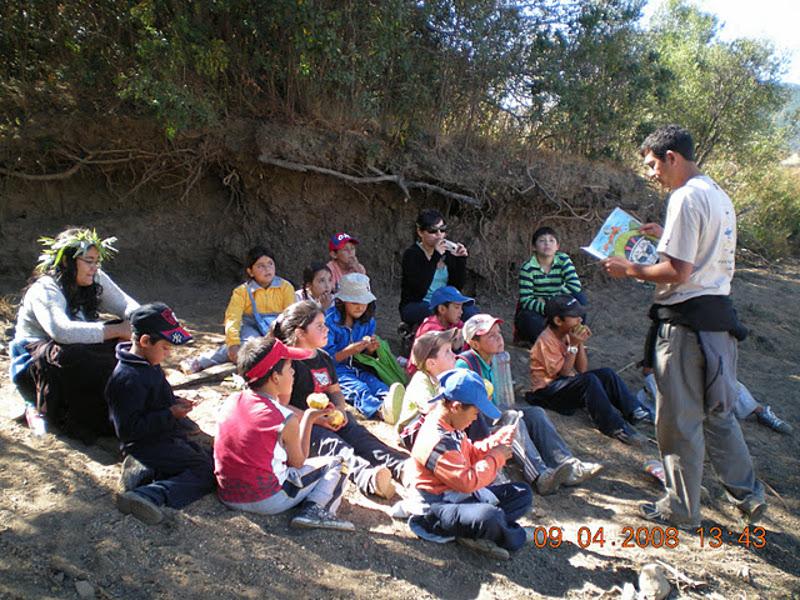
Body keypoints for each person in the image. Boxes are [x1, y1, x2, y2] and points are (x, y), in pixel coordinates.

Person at [603, 124, 766, 528]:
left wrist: (630, 269)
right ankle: (750, 495)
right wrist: (664, 236)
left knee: (678, 420)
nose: (651, 173)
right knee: (719, 413)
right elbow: (702, 254)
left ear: (671, 157)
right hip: (719, 326)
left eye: (653, 164)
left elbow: (678, 270)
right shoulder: (717, 195)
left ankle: (681, 508)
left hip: (685, 328)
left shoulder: (683, 197)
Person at [9, 227, 139, 443]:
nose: (94, 267)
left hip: (74, 346)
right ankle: (85, 418)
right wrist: (116, 330)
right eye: (88, 261)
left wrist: (144, 320)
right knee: (74, 355)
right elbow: (61, 332)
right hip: (37, 359)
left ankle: (136, 405)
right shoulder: (45, 289)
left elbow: (125, 304)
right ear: (68, 261)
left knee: (125, 345)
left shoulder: (94, 277)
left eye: (97, 261)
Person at [272, 300, 410, 499]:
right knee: (335, 446)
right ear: (300, 333)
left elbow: (335, 390)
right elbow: (279, 406)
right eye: (319, 326)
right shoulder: (287, 363)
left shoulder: (323, 357)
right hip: (304, 426)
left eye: (325, 324)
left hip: (330, 416)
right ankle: (368, 477)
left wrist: (340, 409)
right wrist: (316, 419)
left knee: (360, 435)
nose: (327, 329)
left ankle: (399, 466)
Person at [214, 336, 354, 531]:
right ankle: (317, 510)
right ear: (275, 377)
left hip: (228, 494)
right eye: (290, 368)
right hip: (266, 499)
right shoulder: (285, 417)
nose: (294, 373)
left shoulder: (232, 400)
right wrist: (308, 419)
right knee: (339, 462)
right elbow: (298, 462)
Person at [458, 313, 603, 494]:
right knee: (513, 417)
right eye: (491, 336)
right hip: (475, 426)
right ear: (474, 343)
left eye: (499, 333)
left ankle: (568, 465)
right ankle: (540, 476)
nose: (499, 338)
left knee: (536, 413)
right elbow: (465, 410)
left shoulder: (497, 360)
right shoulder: (465, 365)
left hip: (494, 415)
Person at [406, 368, 533, 560]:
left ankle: (476, 532)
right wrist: (495, 458)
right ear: (456, 406)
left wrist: (494, 442)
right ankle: (511, 535)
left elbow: (471, 453)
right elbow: (466, 481)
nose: (476, 418)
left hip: (460, 497)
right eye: (475, 413)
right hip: (438, 507)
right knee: (489, 516)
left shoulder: (451, 424)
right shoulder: (437, 439)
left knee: (522, 493)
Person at [106, 302, 215, 525]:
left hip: (164, 433)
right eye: (165, 348)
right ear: (145, 342)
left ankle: (147, 473)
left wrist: (175, 403)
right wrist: (169, 414)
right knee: (206, 472)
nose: (168, 354)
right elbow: (128, 430)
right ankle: (148, 495)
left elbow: (154, 400)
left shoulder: (148, 363)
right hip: (146, 443)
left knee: (208, 453)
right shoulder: (128, 379)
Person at [526, 295, 651, 446]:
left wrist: (579, 344)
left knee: (607, 373)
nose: (579, 320)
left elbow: (581, 368)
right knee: (589, 380)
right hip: (547, 392)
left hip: (564, 384)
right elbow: (563, 373)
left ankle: (634, 410)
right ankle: (614, 426)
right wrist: (573, 345)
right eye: (574, 317)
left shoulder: (568, 335)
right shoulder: (545, 341)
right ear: (558, 321)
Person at [183, 246, 295, 373]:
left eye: (270, 264)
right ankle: (202, 362)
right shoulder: (242, 291)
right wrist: (233, 344)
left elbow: (290, 316)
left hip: (277, 327)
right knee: (250, 348)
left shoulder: (286, 287)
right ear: (250, 271)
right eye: (260, 266)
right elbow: (232, 317)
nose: (267, 269)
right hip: (251, 328)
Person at [324, 273, 404, 419]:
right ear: (342, 302)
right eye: (354, 302)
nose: (360, 306)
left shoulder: (368, 321)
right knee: (359, 389)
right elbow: (325, 359)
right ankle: (381, 412)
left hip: (358, 366)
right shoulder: (328, 321)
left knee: (378, 385)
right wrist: (350, 350)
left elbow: (364, 357)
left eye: (364, 302)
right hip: (335, 371)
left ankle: (394, 404)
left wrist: (370, 350)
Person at [399, 209, 478, 327]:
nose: (439, 235)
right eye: (433, 231)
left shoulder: (447, 252)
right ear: (420, 232)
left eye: (442, 230)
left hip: (446, 302)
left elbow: (456, 287)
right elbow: (418, 289)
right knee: (437, 312)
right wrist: (435, 257)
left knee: (471, 312)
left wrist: (461, 260)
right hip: (417, 303)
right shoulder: (412, 254)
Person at [515, 226, 587, 344]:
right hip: (540, 309)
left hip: (558, 305)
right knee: (527, 319)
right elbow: (526, 300)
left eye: (551, 241)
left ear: (557, 246)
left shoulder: (563, 260)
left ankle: (572, 337)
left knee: (580, 299)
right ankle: (549, 341)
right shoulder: (527, 268)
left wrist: (551, 302)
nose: (547, 244)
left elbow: (575, 286)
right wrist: (547, 308)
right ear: (534, 247)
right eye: (542, 241)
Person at [405, 285, 471, 376]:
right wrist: (457, 345)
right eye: (456, 307)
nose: (461, 312)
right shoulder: (430, 329)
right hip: (425, 376)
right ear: (442, 309)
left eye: (461, 307)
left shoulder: (456, 324)